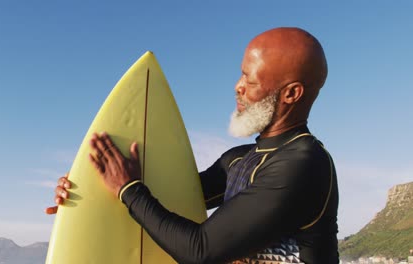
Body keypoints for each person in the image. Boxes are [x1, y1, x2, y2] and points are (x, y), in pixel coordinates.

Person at [46, 27, 339, 264]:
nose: (237, 86)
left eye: (250, 80)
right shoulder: (238, 160)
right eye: (241, 74)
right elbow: (166, 203)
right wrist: (87, 193)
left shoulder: (303, 164)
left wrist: (128, 189)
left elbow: (200, 251)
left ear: (291, 93)